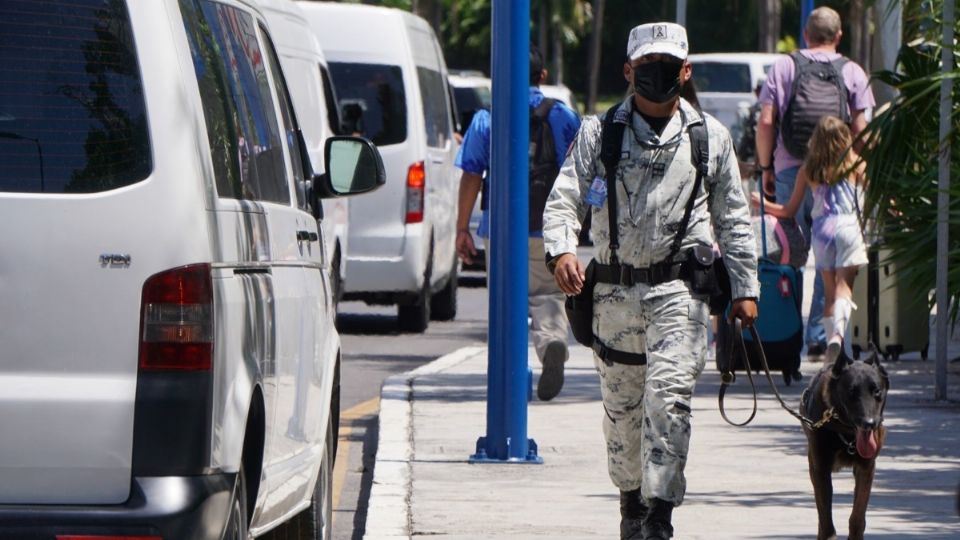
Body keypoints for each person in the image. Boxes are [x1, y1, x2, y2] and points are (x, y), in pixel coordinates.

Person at [542, 22, 759, 539]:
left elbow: (735, 217)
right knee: (622, 416)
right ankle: (631, 509)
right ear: (628, 70)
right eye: (646, 66)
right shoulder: (601, 134)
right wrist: (562, 252)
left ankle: (659, 516)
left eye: (667, 65)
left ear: (685, 72)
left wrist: (746, 290)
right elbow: (564, 198)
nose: (656, 74)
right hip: (614, 300)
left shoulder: (710, 138)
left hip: (678, 295)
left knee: (669, 400)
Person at [455, 45, 581, 401]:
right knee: (548, 295)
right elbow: (579, 173)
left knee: (506, 302)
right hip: (550, 227)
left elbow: (471, 175)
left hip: (501, 229)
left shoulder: (487, 118)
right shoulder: (563, 117)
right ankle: (552, 342)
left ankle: (513, 375)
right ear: (542, 77)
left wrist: (462, 228)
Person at [756, 6, 875, 364]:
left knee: (791, 256)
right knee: (835, 269)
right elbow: (863, 132)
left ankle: (785, 338)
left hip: (792, 169)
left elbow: (765, 121)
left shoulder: (785, 66)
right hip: (837, 174)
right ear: (839, 37)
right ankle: (821, 338)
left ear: (806, 34)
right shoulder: (852, 71)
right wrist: (857, 166)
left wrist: (765, 168)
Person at [753, 116, 867, 359]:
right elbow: (877, 196)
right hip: (848, 226)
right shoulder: (857, 164)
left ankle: (831, 355)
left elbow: (789, 211)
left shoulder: (808, 170)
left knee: (828, 291)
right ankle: (837, 337)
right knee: (844, 287)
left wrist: (762, 203)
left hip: (822, 230)